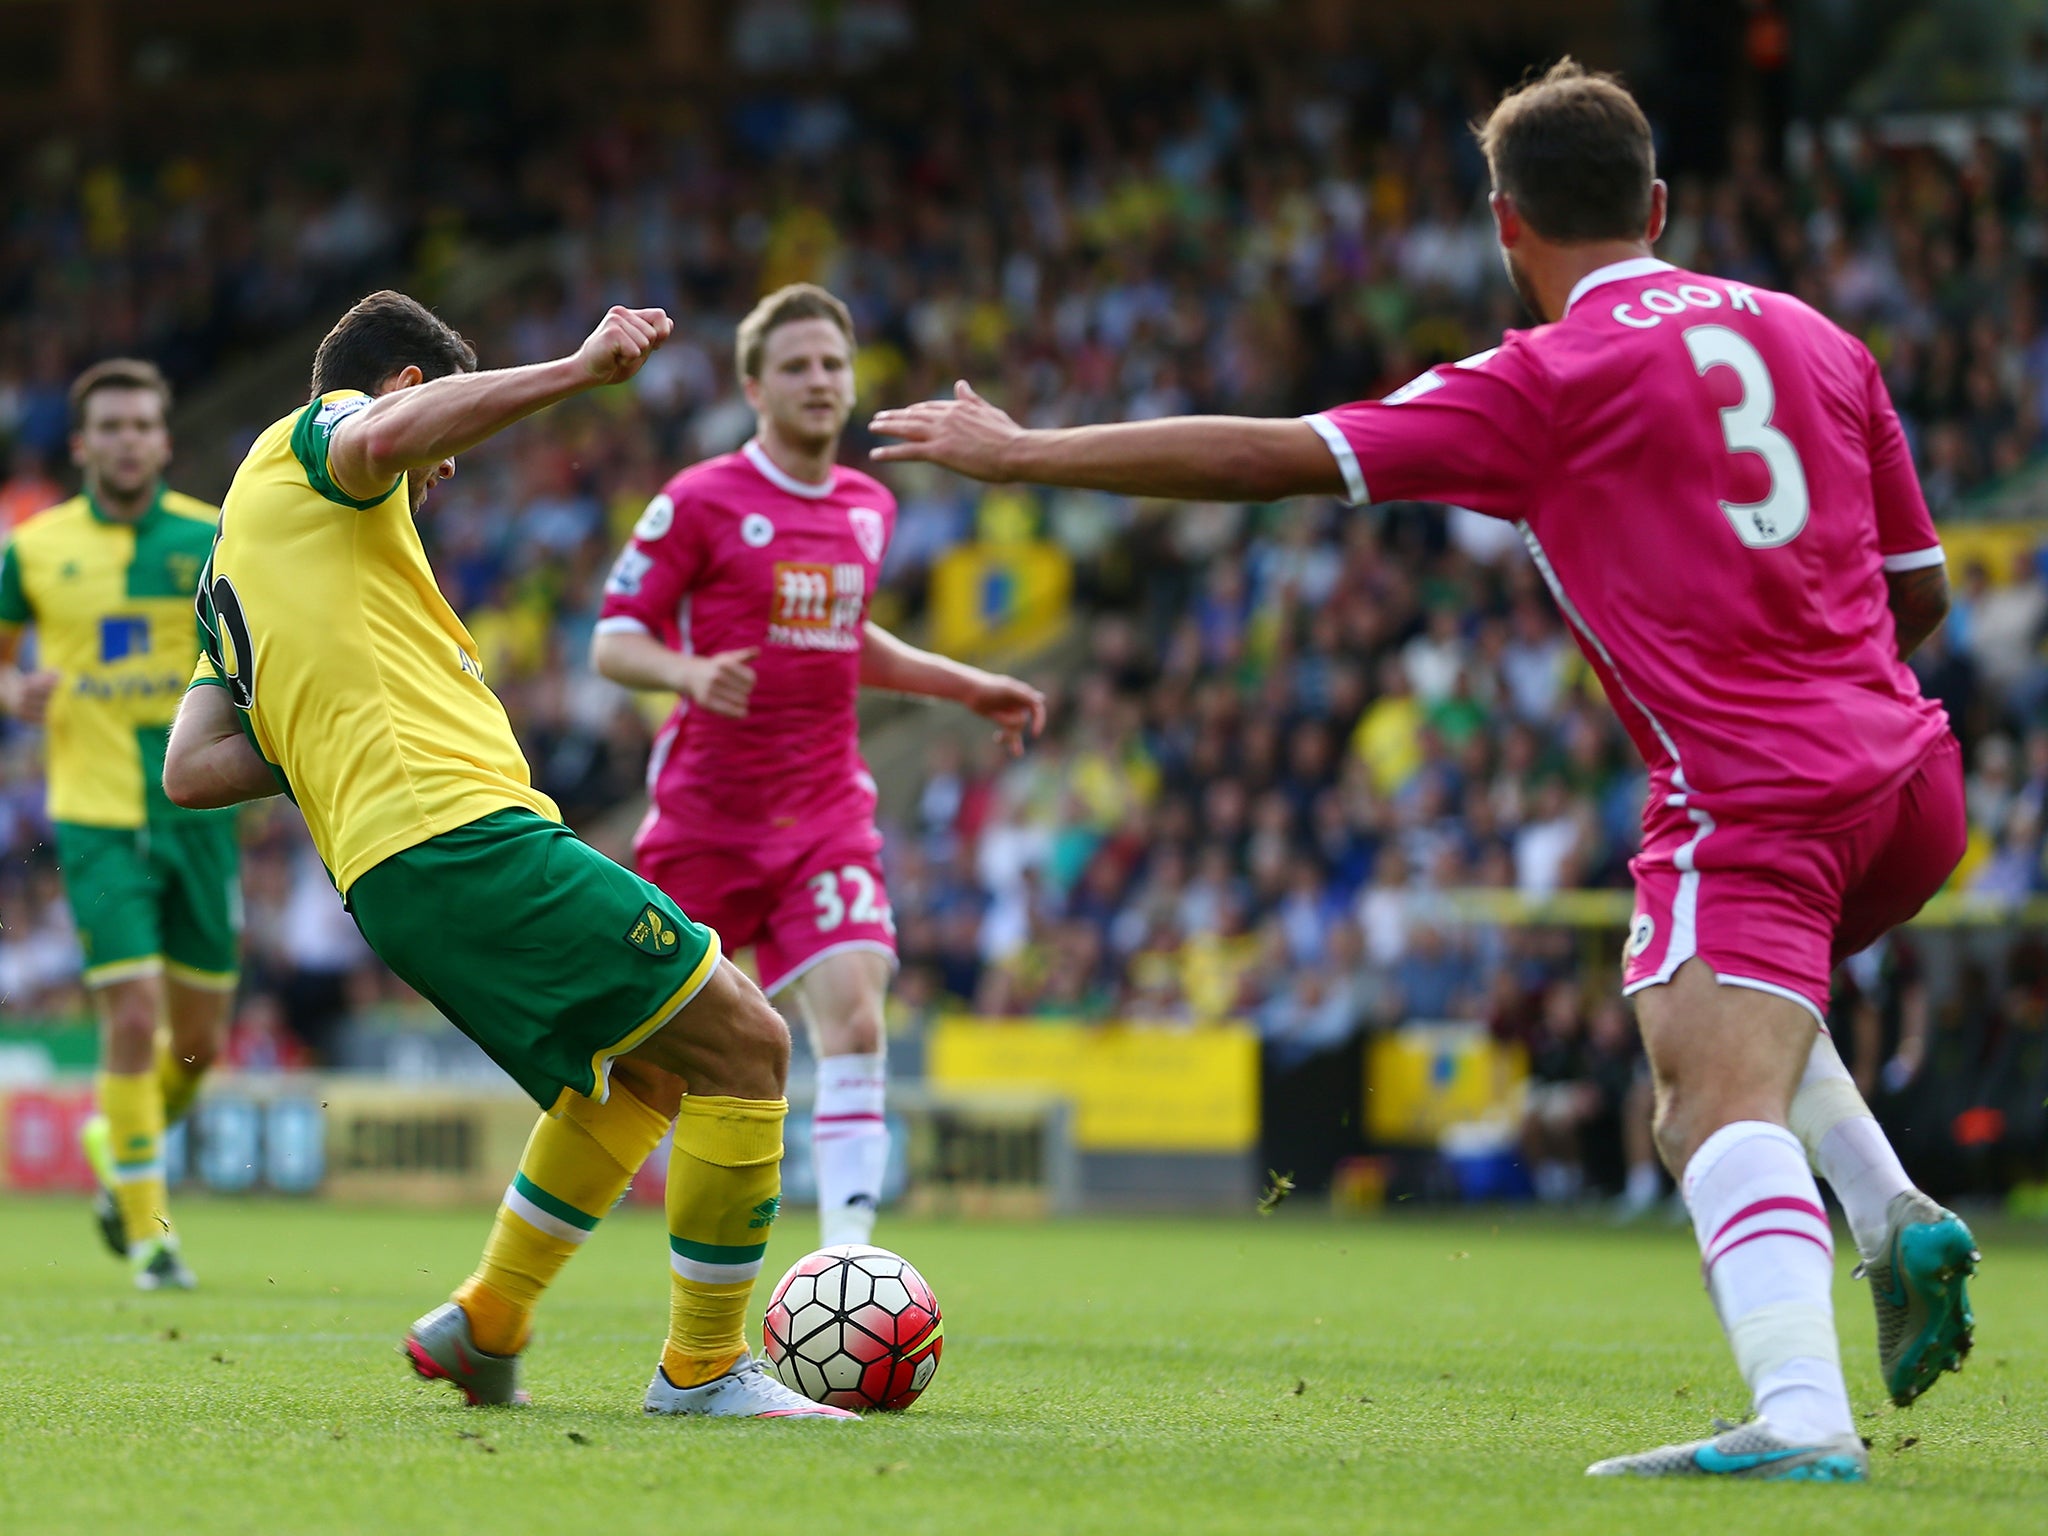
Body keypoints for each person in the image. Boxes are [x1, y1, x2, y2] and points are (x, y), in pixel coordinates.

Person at [873, 60, 1978, 1483]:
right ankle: (1894, 1221)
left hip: (1754, 796)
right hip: (1911, 781)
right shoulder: (1823, 339)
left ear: (1506, 228)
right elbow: (1921, 587)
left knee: (1706, 1097)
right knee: (1733, 1002)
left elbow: (1277, 454)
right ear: (1657, 203)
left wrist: (1025, 455)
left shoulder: (1544, 376)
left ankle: (1807, 1421)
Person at [162, 290, 849, 1420]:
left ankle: (487, 1323)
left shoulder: (239, 568)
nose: (442, 478)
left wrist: (314, 723)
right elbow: (384, 438)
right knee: (748, 1042)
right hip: (453, 833)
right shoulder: (314, 439)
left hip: (396, 874)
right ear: (408, 388)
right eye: (441, 448)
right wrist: (576, 371)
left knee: (649, 1074)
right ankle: (706, 1371)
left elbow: (193, 765)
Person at [591, 283, 1044, 1248]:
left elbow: (848, 640)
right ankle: (521, 1269)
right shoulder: (699, 500)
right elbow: (613, 642)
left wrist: (969, 687)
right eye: (795, 365)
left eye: (833, 364)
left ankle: (848, 1261)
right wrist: (687, 669)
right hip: (704, 819)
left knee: (857, 1018)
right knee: (653, 1072)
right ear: (754, 387)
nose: (818, 381)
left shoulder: (870, 508)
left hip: (824, 813)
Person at [0, 359, 240, 1291]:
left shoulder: (211, 535)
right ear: (81, 444)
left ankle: (115, 1138)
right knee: (131, 1018)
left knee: (199, 1045)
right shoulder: (35, 548)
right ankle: (151, 1237)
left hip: (199, 812)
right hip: (96, 815)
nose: (129, 438)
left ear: (165, 440)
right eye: (112, 425)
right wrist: (14, 689)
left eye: (144, 423)